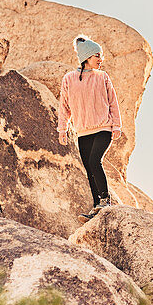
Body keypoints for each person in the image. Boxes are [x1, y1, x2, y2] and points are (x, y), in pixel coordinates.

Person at [58, 35, 122, 221]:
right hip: (83, 132)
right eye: (97, 56)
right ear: (86, 57)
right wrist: (63, 129)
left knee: (95, 161)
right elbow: (64, 106)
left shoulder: (103, 77)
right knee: (89, 168)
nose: (100, 60)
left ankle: (105, 200)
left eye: (101, 56)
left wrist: (116, 125)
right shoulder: (69, 79)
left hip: (104, 128)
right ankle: (97, 207)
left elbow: (113, 102)